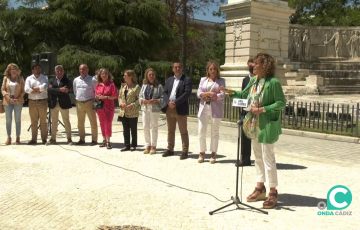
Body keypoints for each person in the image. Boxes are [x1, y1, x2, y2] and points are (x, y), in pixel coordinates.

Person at [219, 53, 286, 209]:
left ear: (264, 65)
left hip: (266, 124)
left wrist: (263, 109)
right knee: (257, 156)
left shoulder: (273, 82)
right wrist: (228, 91)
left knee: (268, 157)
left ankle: (273, 191)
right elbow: (243, 95)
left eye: (256, 63)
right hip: (253, 123)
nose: (253, 65)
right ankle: (260, 186)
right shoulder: (254, 80)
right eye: (253, 63)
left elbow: (281, 103)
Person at [161, 62, 192, 160]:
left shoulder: (186, 79)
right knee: (170, 131)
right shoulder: (169, 80)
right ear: (173, 69)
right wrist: (168, 102)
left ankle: (185, 151)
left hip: (180, 108)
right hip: (169, 109)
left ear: (181, 68)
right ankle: (170, 149)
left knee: (183, 131)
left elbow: (187, 93)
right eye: (175, 67)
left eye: (179, 67)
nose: (177, 68)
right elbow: (165, 92)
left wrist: (175, 102)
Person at [196, 61, 225, 164]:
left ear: (217, 70)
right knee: (201, 131)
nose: (213, 71)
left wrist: (216, 96)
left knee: (214, 132)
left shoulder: (221, 81)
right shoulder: (203, 80)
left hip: (215, 108)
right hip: (204, 107)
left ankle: (213, 153)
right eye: (211, 69)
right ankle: (201, 153)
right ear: (208, 70)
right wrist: (207, 93)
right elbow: (199, 93)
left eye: (215, 69)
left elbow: (222, 94)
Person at [46, 65, 73, 146]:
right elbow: (49, 90)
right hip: (53, 103)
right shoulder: (51, 80)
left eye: (61, 70)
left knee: (66, 121)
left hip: (64, 103)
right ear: (55, 72)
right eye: (58, 71)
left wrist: (56, 91)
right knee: (54, 121)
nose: (59, 72)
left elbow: (67, 90)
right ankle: (53, 138)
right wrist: (60, 89)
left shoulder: (67, 80)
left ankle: (69, 138)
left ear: (63, 71)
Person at [139, 68, 164, 155]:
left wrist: (155, 100)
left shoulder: (159, 86)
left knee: (154, 127)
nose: (151, 76)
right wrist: (142, 100)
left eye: (153, 74)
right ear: (147, 76)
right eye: (150, 75)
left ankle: (153, 146)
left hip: (154, 108)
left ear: (155, 76)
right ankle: (147, 145)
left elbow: (163, 98)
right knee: (145, 126)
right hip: (145, 108)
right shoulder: (144, 86)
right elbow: (140, 96)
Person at [73, 64, 98, 145]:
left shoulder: (92, 80)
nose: (82, 71)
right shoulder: (76, 80)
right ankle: (82, 139)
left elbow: (96, 92)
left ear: (87, 70)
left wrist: (95, 104)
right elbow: (75, 91)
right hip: (79, 103)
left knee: (93, 122)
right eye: (80, 69)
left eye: (83, 69)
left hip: (89, 102)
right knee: (80, 123)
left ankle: (94, 140)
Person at [1, 63, 25, 145]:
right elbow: (3, 90)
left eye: (15, 69)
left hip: (18, 101)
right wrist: (8, 97)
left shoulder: (21, 78)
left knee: (17, 119)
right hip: (7, 101)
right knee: (8, 120)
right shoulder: (5, 78)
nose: (14, 70)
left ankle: (18, 137)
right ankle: (9, 137)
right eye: (12, 69)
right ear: (9, 71)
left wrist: (18, 98)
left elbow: (23, 90)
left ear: (17, 70)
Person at [25, 63, 48, 145]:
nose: (38, 69)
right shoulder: (29, 78)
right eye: (36, 68)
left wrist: (34, 89)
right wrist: (37, 90)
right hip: (32, 102)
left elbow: (45, 87)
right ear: (33, 70)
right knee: (33, 122)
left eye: (39, 68)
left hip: (42, 102)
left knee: (43, 122)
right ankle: (34, 139)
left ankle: (44, 139)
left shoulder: (44, 77)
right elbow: (26, 89)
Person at [236, 58, 254, 167]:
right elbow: (243, 95)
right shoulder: (245, 80)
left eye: (253, 66)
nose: (251, 68)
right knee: (245, 136)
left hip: (257, 111)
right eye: (250, 66)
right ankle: (245, 159)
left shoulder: (261, 79)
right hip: (246, 112)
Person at [95, 68, 118, 149]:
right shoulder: (98, 84)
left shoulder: (111, 84)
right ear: (100, 75)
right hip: (100, 106)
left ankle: (108, 141)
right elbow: (95, 95)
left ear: (108, 75)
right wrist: (98, 96)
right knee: (101, 123)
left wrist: (106, 97)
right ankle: (104, 140)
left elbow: (115, 96)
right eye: (102, 74)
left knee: (108, 122)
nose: (104, 75)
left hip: (109, 106)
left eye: (105, 73)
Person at [118, 70, 140, 152]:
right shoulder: (123, 86)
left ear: (131, 76)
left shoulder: (136, 87)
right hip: (124, 111)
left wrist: (131, 105)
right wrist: (121, 104)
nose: (124, 77)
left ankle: (133, 145)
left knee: (133, 129)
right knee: (125, 129)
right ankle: (126, 145)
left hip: (133, 112)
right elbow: (119, 97)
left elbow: (139, 99)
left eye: (125, 75)